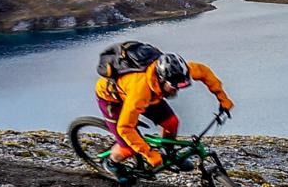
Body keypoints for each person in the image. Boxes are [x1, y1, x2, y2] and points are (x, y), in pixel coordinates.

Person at [95, 50, 233, 179]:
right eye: (174, 87)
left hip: (149, 94)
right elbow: (124, 128)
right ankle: (111, 163)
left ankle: (168, 153)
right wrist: (150, 155)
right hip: (112, 100)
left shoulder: (178, 72)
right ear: (161, 79)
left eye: (181, 86)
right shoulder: (140, 91)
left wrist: (223, 99)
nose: (177, 91)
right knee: (128, 148)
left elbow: (204, 72)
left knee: (171, 122)